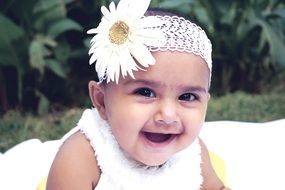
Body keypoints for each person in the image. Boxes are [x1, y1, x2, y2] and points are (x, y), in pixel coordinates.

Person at [46, 0, 230, 189]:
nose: (167, 115)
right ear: (102, 101)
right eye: (146, 92)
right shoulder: (82, 157)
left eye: (188, 97)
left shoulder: (193, 154)